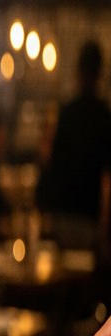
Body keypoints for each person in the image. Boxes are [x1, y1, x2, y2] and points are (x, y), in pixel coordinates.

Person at [38, 41, 111, 223]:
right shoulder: (104, 117)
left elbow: (52, 162)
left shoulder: (67, 114)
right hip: (89, 214)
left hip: (63, 212)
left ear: (79, 71)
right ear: (99, 74)